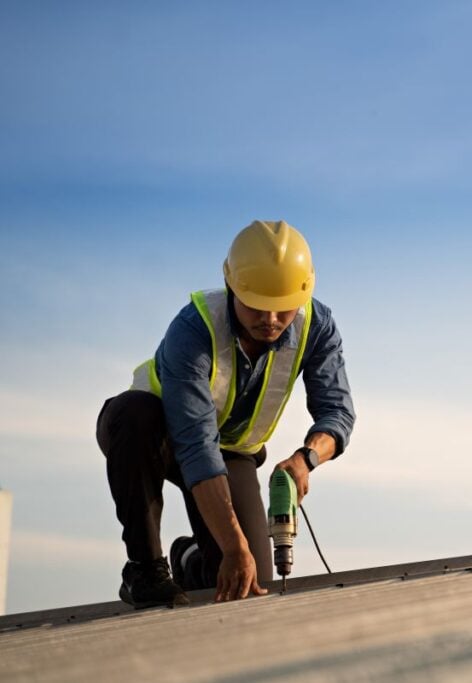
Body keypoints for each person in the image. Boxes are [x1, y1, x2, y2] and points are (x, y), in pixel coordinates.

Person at [97, 220, 355, 607]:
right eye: (257, 305)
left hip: (231, 451)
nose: (270, 319)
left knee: (250, 583)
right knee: (135, 414)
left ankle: (191, 559)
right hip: (158, 437)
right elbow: (196, 446)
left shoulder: (316, 327)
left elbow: (337, 412)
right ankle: (145, 569)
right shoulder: (193, 328)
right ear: (232, 285)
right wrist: (234, 545)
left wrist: (307, 459)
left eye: (283, 308)